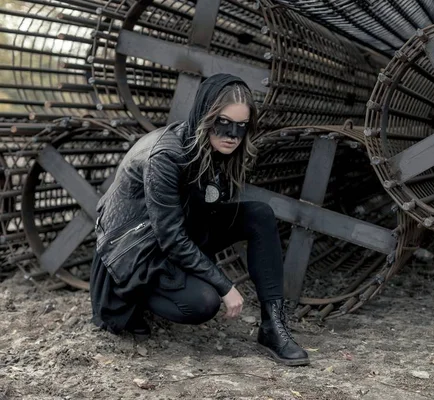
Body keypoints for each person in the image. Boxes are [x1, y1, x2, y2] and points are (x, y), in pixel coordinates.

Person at [89, 74, 309, 366]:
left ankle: (273, 327)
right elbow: (170, 237)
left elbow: (207, 207)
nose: (232, 135)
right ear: (205, 116)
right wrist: (224, 285)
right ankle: (133, 299)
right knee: (203, 303)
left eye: (241, 127)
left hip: (175, 233)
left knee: (259, 215)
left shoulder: (213, 147)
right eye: (224, 123)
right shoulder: (165, 156)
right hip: (134, 252)